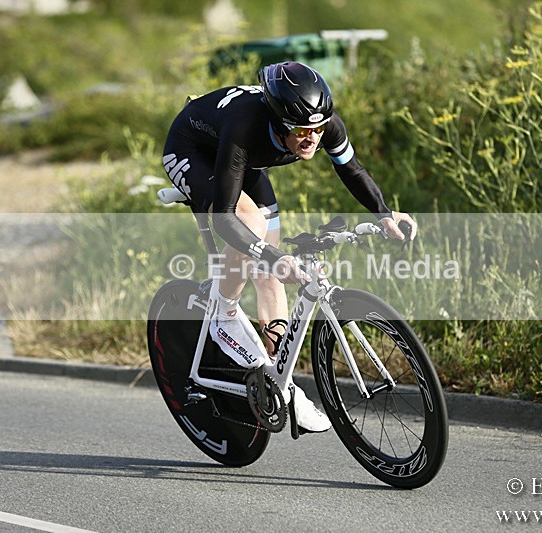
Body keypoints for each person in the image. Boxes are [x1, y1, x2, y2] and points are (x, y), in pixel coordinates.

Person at [162, 61, 417, 433]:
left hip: (245, 161)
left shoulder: (321, 124)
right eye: (300, 130)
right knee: (254, 227)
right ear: (279, 122)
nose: (310, 138)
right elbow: (226, 219)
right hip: (193, 150)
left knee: (270, 277)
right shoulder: (245, 125)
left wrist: (384, 213)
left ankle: (279, 382)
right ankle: (224, 313)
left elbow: (352, 170)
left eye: (316, 129)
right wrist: (270, 254)